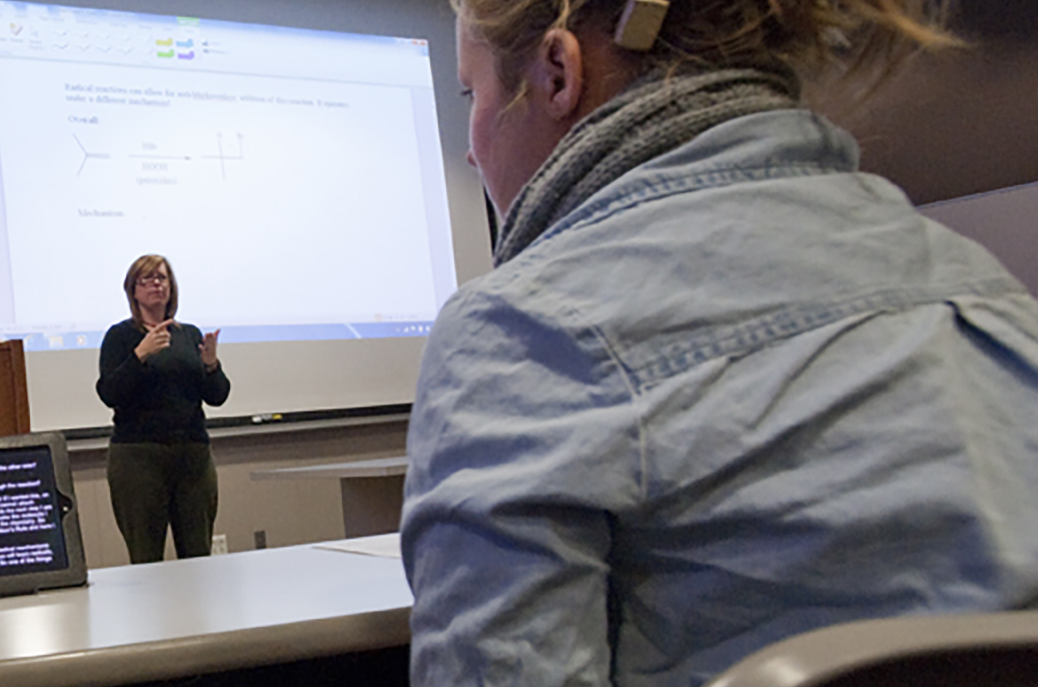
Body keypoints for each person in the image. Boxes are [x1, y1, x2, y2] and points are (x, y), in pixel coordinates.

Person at [401, 0, 1038, 685]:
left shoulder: (516, 330)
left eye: (473, 93)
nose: (469, 147)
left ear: (558, 73)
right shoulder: (986, 290)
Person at [95, 255, 231, 564]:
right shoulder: (121, 336)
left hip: (192, 457)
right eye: (147, 279)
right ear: (133, 290)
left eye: (162, 278)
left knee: (198, 556)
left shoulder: (189, 335)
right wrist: (140, 355)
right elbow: (109, 393)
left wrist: (211, 366)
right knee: (145, 557)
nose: (156, 284)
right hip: (138, 458)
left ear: (172, 287)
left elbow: (217, 396)